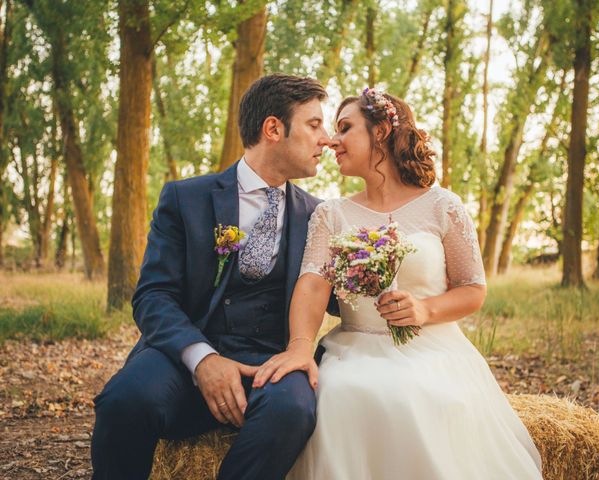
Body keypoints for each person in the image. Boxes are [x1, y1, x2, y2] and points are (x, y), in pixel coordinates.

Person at [254, 89, 543, 479]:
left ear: (382, 131)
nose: (331, 140)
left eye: (345, 128)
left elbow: (473, 289)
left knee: (415, 395)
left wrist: (425, 309)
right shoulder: (331, 214)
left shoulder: (443, 206)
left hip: (432, 349)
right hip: (352, 349)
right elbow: (312, 283)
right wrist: (300, 347)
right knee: (342, 395)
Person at [91, 74, 334, 480]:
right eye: (314, 124)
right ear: (273, 128)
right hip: (184, 355)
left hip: (271, 363)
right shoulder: (185, 198)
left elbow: (337, 300)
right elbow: (152, 296)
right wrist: (202, 360)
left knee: (292, 409)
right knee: (124, 400)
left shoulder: (320, 216)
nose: (325, 138)